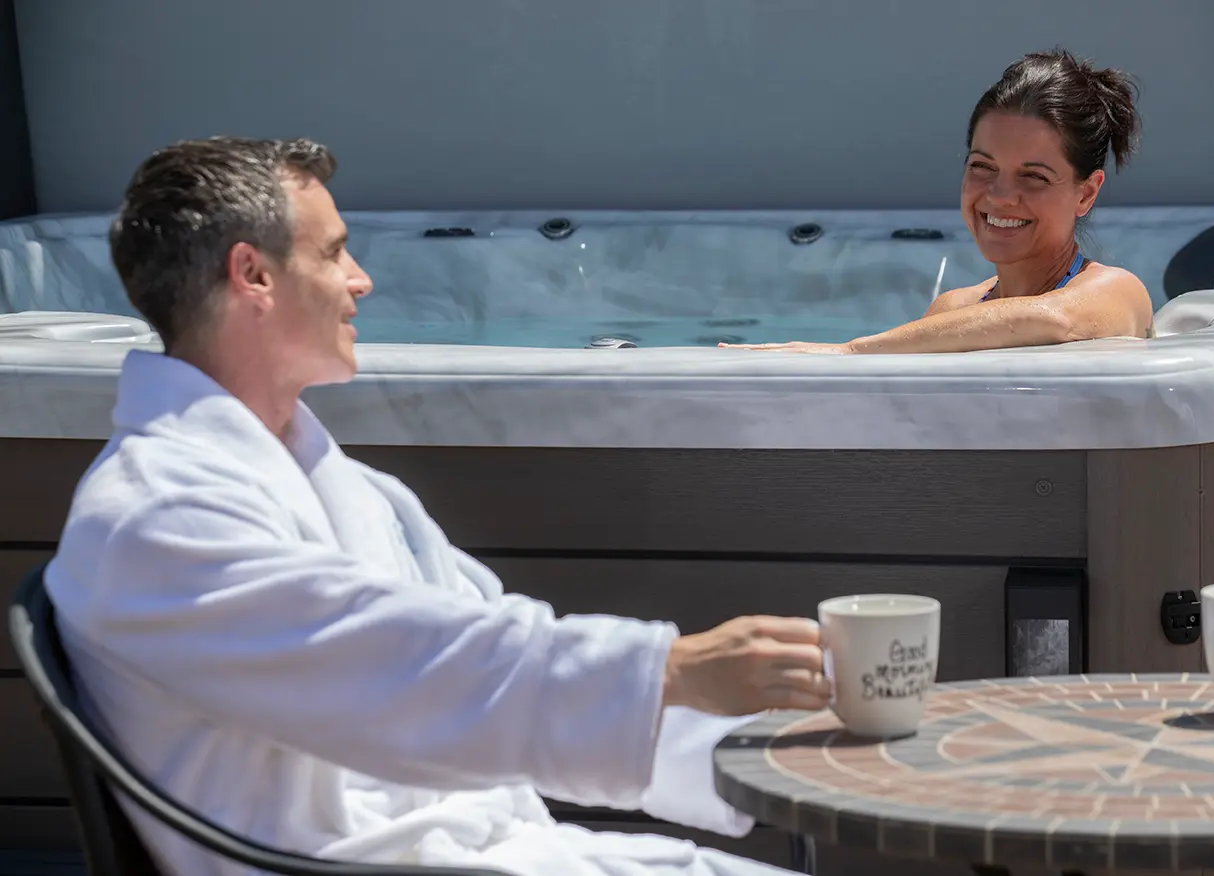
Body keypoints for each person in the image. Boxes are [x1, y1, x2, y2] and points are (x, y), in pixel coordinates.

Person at [44, 136, 831, 876]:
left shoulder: (338, 485)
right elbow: (414, 670)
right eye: (332, 252)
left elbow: (479, 642)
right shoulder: (158, 518)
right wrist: (666, 670)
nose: (361, 279)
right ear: (252, 274)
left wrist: (766, 751)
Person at [722, 49, 1155, 355]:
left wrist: (851, 351)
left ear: (1086, 192)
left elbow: (1054, 321)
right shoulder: (954, 310)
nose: (1000, 196)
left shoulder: (1115, 291)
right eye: (982, 167)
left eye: (1034, 176)